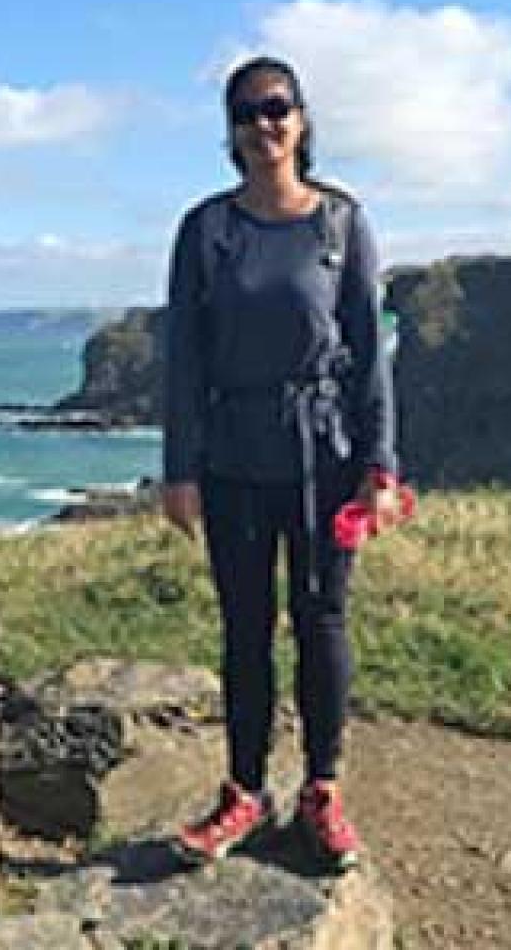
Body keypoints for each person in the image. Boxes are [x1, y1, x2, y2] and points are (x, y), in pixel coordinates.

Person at [161, 55, 403, 872]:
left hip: (325, 459)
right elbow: (183, 360)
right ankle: (244, 791)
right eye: (246, 113)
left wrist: (381, 464)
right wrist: (179, 467)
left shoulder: (341, 225)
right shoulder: (207, 230)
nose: (263, 125)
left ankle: (322, 792)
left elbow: (370, 352)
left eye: (277, 109)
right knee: (245, 629)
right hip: (232, 457)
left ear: (301, 120)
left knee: (323, 620)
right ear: (229, 133)